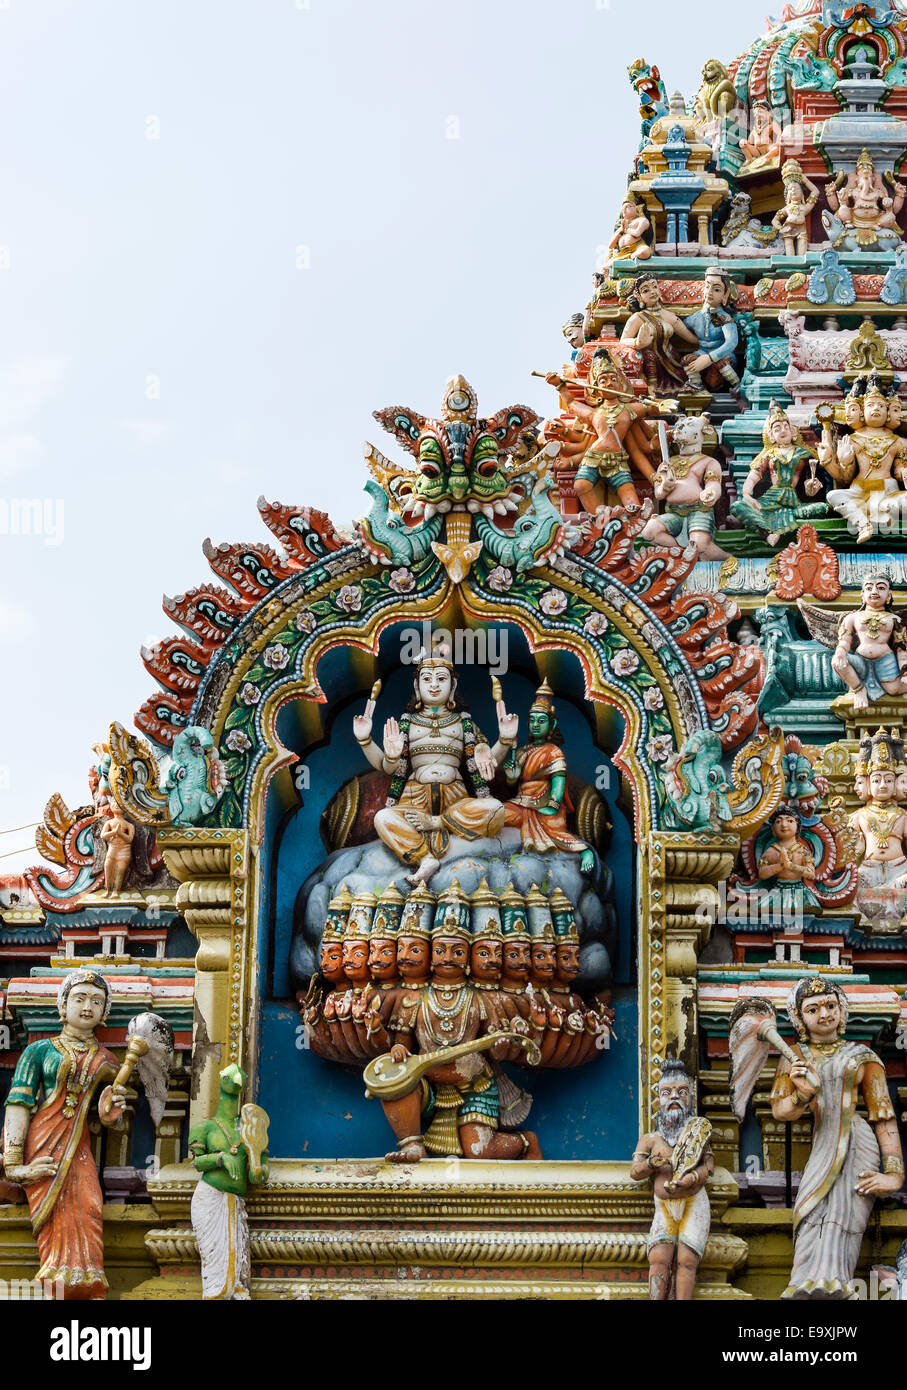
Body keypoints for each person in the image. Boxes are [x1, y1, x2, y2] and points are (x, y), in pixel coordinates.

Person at [771, 977, 903, 1299]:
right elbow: (779, 1110)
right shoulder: (792, 1056)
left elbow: (883, 1116)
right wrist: (802, 1096)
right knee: (810, 1211)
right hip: (822, 1141)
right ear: (800, 1019)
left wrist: (894, 1174)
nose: (824, 1014)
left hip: (858, 1144)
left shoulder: (863, 1056)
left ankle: (837, 1285)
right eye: (812, 1009)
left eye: (831, 1005)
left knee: (844, 1214)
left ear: (842, 1011)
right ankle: (806, 1284)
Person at [2, 970, 126, 1299]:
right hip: (42, 1145)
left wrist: (108, 1113)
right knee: (51, 1216)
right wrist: (16, 1167)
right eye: (80, 998)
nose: (88, 1006)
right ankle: (55, 1282)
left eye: (97, 1001)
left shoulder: (108, 1062)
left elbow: (107, 1119)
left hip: (80, 1149)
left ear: (105, 1012)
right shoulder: (39, 1051)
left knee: (89, 1205)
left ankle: (86, 1284)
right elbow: (18, 1104)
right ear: (63, 1005)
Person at [353, 644, 513, 885]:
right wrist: (366, 741)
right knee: (383, 818)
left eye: (441, 678)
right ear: (418, 687)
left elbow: (487, 765)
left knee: (495, 809)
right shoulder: (407, 724)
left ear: (453, 686)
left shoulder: (464, 723)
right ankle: (424, 858)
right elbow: (387, 768)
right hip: (414, 799)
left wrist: (504, 740)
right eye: (427, 679)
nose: (434, 685)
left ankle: (440, 823)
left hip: (455, 800)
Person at [630, 1061, 714, 1300]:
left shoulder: (698, 1133)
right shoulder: (650, 1140)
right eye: (667, 1093)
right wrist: (651, 1164)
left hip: (693, 1200)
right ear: (659, 1100)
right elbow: (635, 1172)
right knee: (658, 1257)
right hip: (664, 1205)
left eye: (682, 1092)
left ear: (689, 1099)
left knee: (687, 1260)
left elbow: (708, 1166)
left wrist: (692, 1178)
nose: (674, 1097)